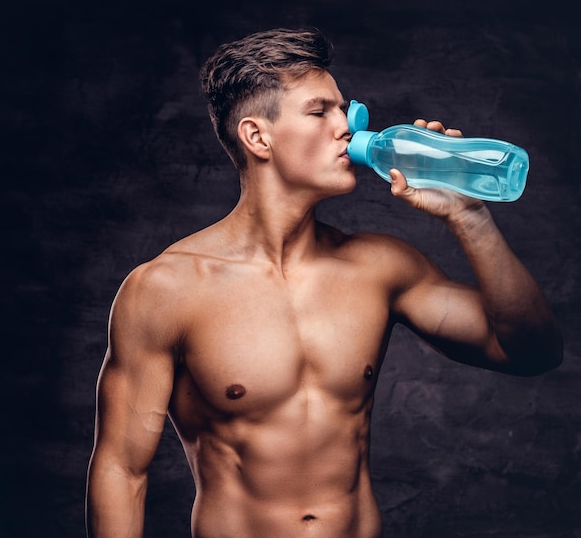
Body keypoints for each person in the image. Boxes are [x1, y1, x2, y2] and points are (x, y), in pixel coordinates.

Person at [85, 27, 563, 538]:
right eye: (321, 111)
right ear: (257, 137)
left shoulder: (380, 266)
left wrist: (470, 218)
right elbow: (121, 470)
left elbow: (531, 351)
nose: (347, 126)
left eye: (344, 108)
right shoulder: (167, 288)